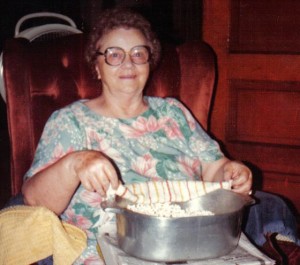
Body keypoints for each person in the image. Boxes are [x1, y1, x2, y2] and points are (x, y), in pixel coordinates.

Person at [19, 7, 297, 265]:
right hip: (109, 247)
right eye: (114, 54)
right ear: (96, 66)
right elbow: (35, 200)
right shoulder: (70, 121)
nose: (128, 63)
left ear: (149, 62)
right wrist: (74, 163)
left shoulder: (173, 112)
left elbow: (214, 166)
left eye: (139, 53)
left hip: (195, 240)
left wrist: (231, 171)